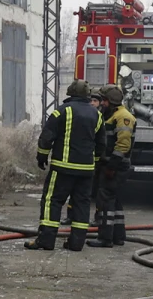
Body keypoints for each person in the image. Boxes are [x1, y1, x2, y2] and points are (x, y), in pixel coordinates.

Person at [25, 79, 105, 251]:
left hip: (62, 168)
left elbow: (47, 137)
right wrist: (95, 164)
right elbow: (101, 144)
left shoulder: (61, 111)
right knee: (82, 205)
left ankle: (46, 240)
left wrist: (42, 157)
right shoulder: (97, 115)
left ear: (70, 93)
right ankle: (76, 243)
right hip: (86, 171)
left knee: (52, 201)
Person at [87, 84, 136, 248]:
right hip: (111, 165)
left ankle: (105, 238)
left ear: (111, 101)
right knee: (115, 201)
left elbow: (123, 145)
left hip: (116, 166)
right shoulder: (113, 115)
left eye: (104, 100)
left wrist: (111, 166)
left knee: (105, 201)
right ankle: (118, 236)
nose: (102, 103)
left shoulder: (123, 117)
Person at [62, 89, 105, 226]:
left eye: (95, 101)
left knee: (94, 193)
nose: (92, 103)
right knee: (76, 193)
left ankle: (97, 218)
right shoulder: (85, 115)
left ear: (100, 103)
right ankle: (71, 216)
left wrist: (99, 161)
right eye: (91, 100)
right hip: (85, 162)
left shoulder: (100, 117)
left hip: (95, 162)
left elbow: (102, 142)